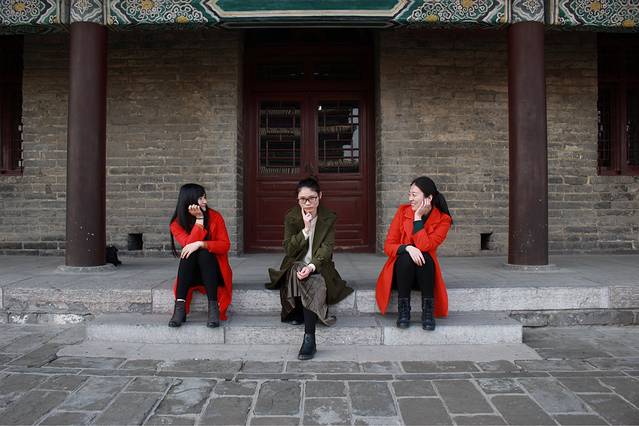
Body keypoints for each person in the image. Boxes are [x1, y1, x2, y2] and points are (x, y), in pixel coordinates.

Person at [266, 177, 353, 360]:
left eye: (312, 198)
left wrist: (312, 266)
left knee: (310, 277)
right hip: (295, 265)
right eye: (303, 199)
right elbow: (289, 250)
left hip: (320, 265)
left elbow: (327, 248)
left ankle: (308, 335)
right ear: (297, 199)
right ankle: (310, 335)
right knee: (301, 272)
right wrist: (306, 230)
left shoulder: (328, 217)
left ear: (320, 196)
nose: (307, 203)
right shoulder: (291, 217)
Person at [375, 176, 452, 330]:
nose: (410, 198)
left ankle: (427, 312)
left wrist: (417, 218)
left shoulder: (444, 220)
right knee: (406, 257)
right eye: (409, 194)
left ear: (429, 198)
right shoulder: (402, 211)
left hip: (425, 275)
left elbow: (425, 246)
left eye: (414, 195)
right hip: (401, 275)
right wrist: (408, 248)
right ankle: (404, 311)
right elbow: (388, 246)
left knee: (425, 256)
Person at [168, 183, 233, 328]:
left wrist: (201, 244)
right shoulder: (176, 223)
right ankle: (179, 309)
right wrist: (199, 220)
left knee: (203, 252)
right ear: (189, 201)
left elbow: (225, 245)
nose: (205, 201)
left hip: (214, 272)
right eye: (201, 198)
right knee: (189, 252)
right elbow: (188, 244)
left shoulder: (215, 217)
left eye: (205, 197)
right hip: (190, 273)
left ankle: (213, 309)